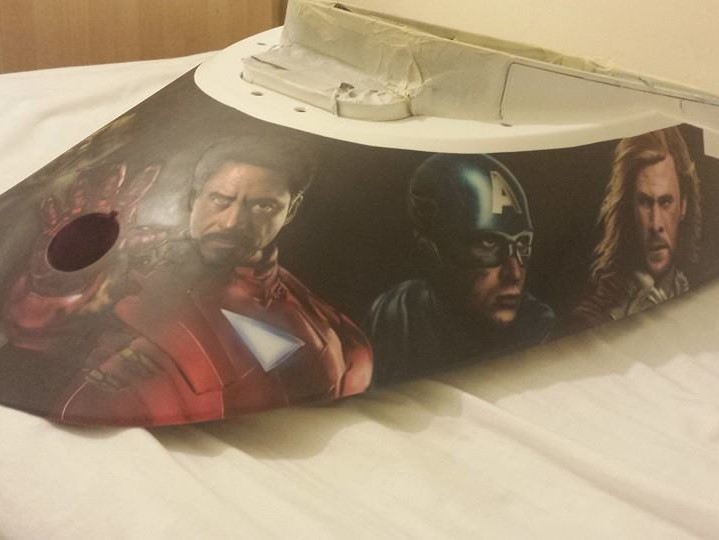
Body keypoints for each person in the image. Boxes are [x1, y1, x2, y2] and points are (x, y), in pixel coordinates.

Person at [1, 135, 373, 425]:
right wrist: (54, 284)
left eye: (262, 206)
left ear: (290, 210)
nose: (232, 222)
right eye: (220, 200)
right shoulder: (131, 272)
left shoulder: (312, 313)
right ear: (195, 198)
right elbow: (32, 359)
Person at [366, 153, 555, 384]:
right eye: (489, 243)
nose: (514, 273)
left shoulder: (537, 329)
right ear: (432, 251)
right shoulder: (397, 311)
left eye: (522, 245)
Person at [559, 127, 701, 334]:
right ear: (628, 209)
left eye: (665, 202)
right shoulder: (586, 321)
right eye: (644, 202)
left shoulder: (695, 292)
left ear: (683, 205)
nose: (656, 224)